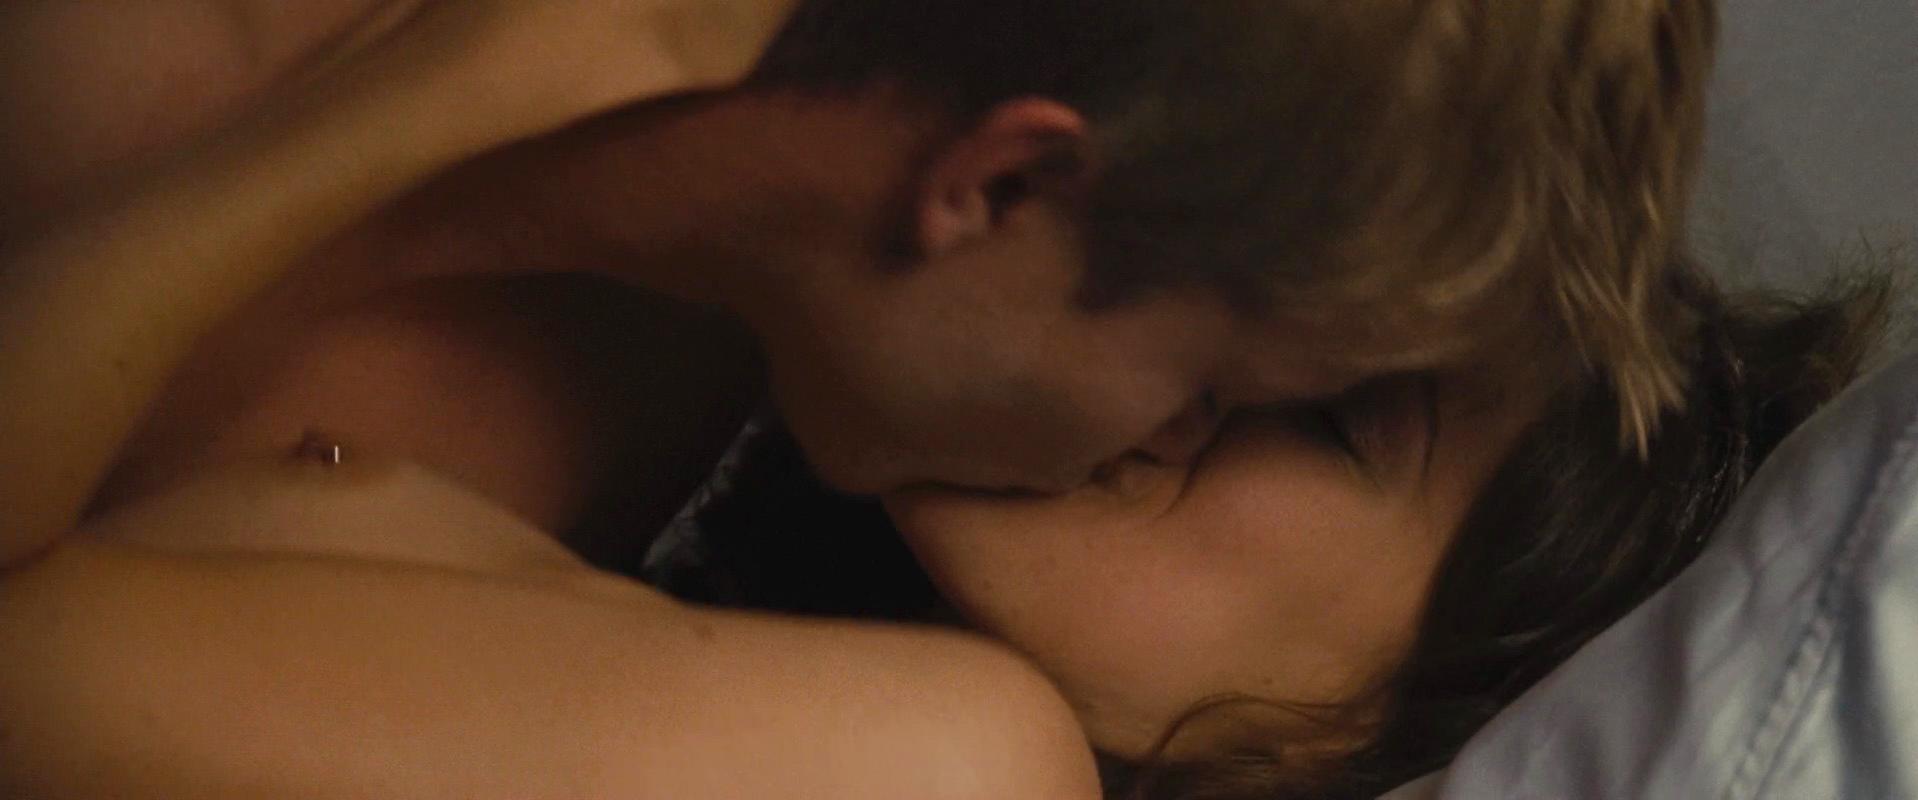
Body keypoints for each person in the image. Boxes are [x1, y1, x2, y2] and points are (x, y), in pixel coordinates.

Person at [0, 0, 1779, 797]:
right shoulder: (720, 345)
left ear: (1381, 732)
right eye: (1259, 369)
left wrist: (452, 88)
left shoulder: (939, 767)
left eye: (1310, 409)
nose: (1170, 416)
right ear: (1007, 187)